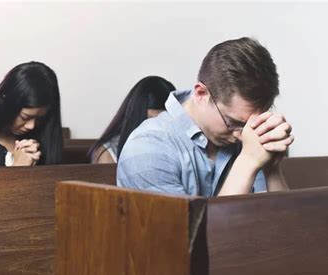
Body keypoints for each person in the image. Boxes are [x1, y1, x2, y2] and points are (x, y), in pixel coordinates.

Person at [117, 37, 294, 197]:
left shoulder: (247, 140)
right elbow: (194, 233)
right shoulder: (147, 147)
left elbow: (282, 226)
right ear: (201, 94)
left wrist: (272, 169)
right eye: (234, 123)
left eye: (250, 125)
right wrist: (247, 161)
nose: (242, 136)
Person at [89, 76, 175, 163]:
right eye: (151, 122)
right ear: (136, 115)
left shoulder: (177, 147)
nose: (159, 129)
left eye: (166, 121)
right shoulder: (108, 154)